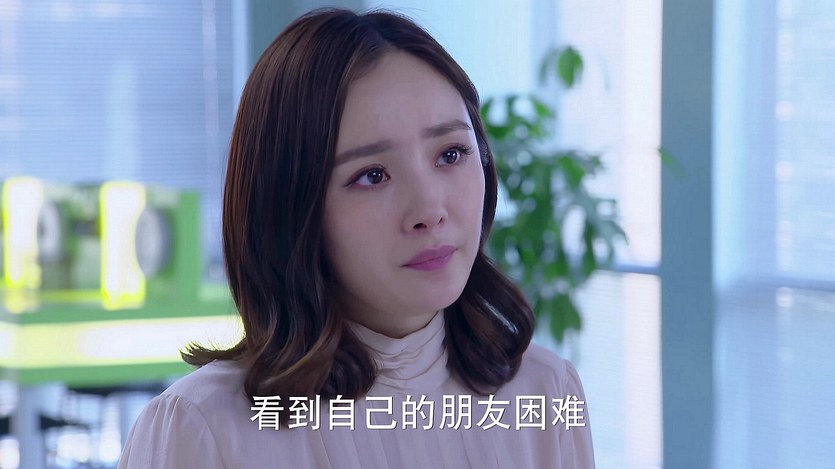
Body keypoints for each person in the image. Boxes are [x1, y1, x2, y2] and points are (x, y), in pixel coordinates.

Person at [118, 7, 595, 468]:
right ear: (291, 206)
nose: (430, 210)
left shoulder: (546, 393)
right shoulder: (202, 428)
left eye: (450, 154)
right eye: (372, 175)